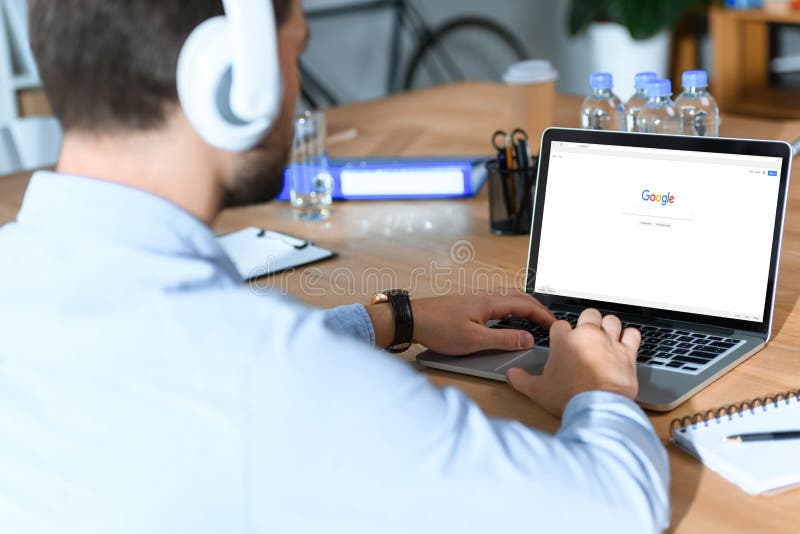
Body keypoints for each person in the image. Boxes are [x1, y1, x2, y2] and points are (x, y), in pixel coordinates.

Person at [0, 1, 669, 532]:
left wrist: (390, 320)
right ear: (235, 81)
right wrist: (597, 389)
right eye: (294, 55)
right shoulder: (272, 377)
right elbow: (615, 507)